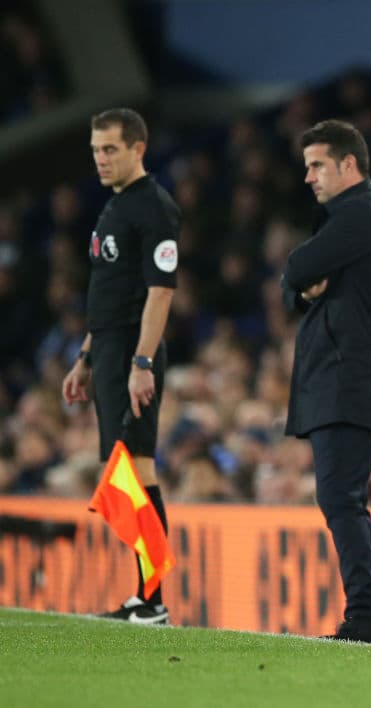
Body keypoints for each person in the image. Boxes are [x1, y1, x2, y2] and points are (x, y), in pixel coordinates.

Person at [280, 120, 371, 644]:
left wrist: (300, 281)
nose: (308, 177)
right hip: (338, 379)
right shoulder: (346, 219)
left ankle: (367, 618)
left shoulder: (362, 216)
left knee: (342, 500)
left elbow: (296, 265)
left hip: (349, 380)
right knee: (339, 499)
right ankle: (364, 615)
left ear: (349, 164)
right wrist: (302, 290)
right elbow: (296, 285)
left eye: (317, 165)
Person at [61, 108, 178, 624]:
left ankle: (152, 599)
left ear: (138, 148)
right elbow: (109, 294)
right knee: (122, 469)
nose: (100, 160)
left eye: (110, 150)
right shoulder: (115, 208)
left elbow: (160, 292)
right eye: (95, 151)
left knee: (137, 465)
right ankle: (146, 596)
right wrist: (86, 356)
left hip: (133, 349)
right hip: (108, 349)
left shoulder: (154, 208)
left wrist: (142, 362)